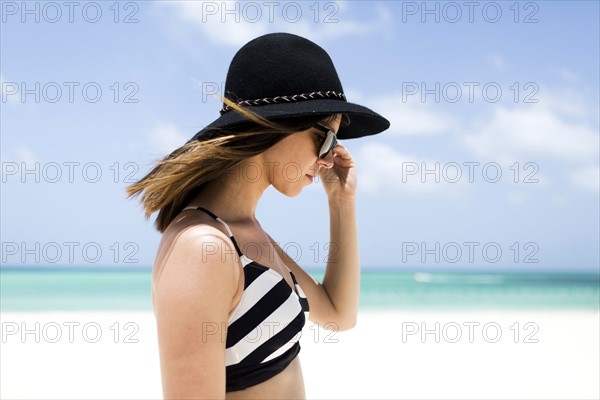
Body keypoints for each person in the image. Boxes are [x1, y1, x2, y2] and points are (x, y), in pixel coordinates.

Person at [127, 32, 390, 399]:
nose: (329, 158)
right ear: (277, 126)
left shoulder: (247, 233)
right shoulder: (204, 248)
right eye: (326, 140)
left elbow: (338, 315)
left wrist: (341, 202)